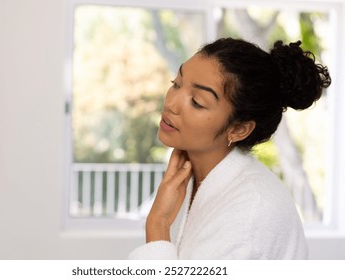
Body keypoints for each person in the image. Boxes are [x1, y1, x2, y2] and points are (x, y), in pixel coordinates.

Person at [128, 37, 331, 260]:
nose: (171, 103)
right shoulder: (189, 179)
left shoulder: (253, 210)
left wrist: (158, 224)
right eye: (176, 83)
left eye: (196, 101)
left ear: (238, 129)